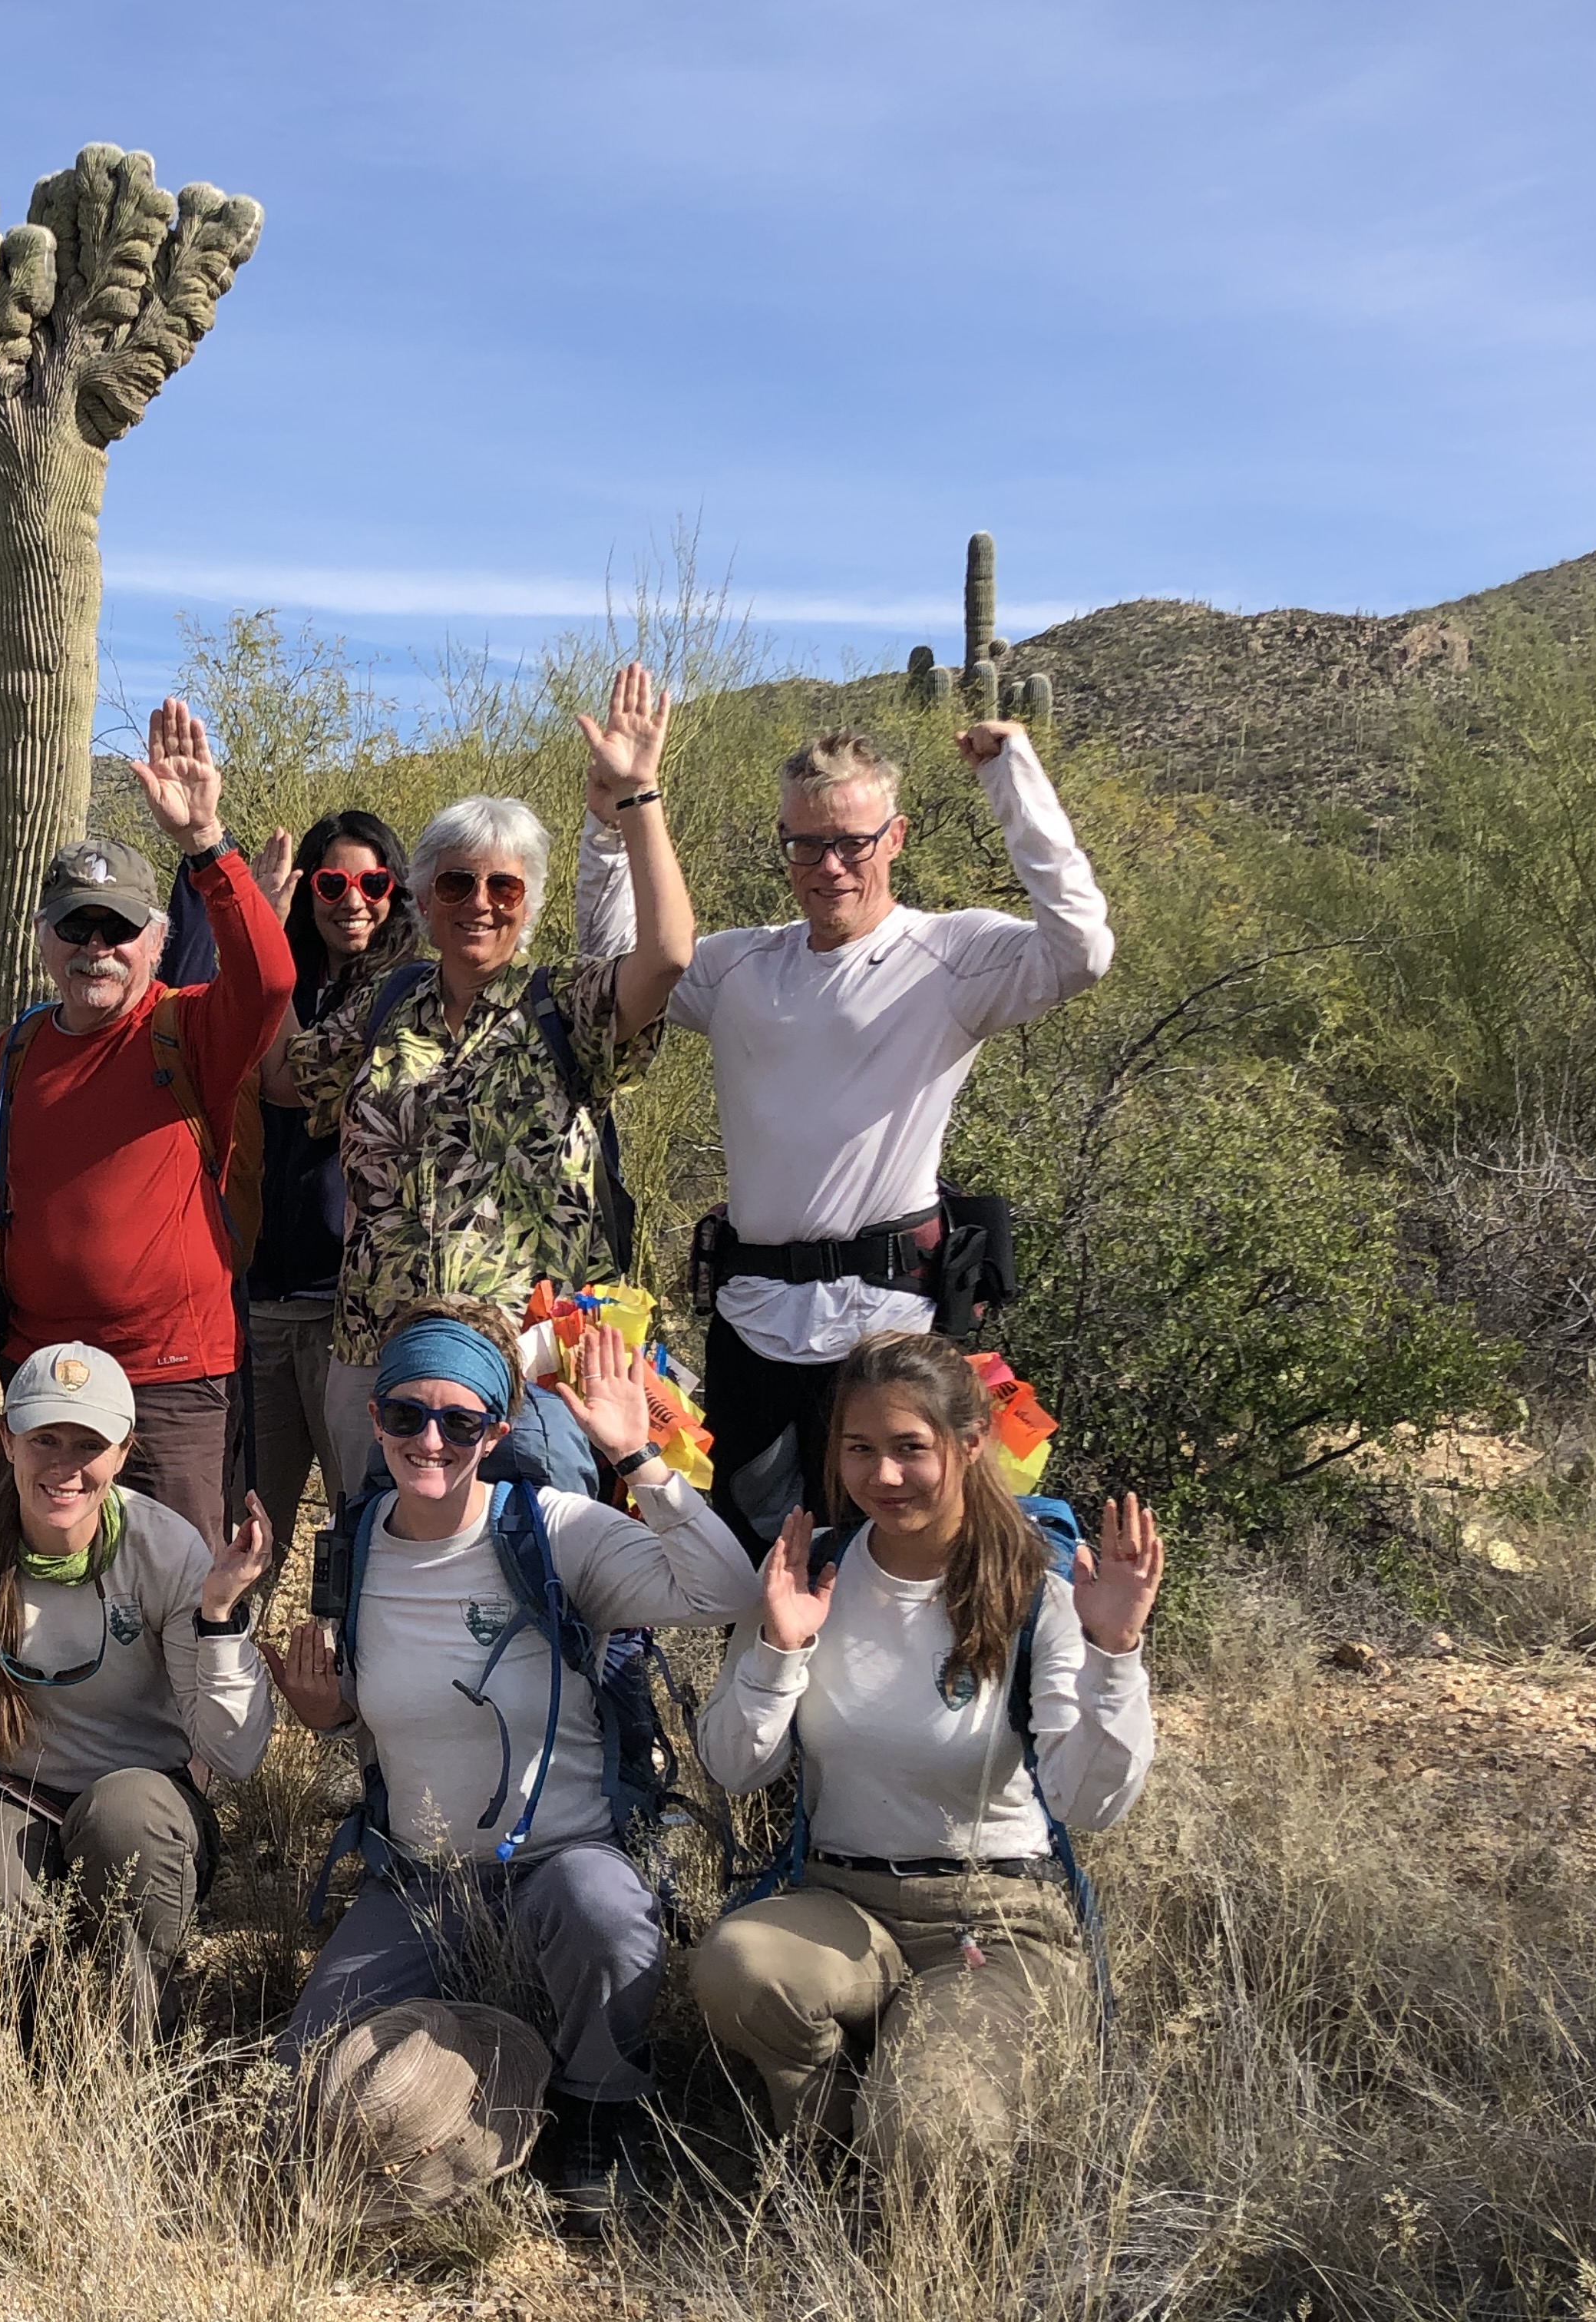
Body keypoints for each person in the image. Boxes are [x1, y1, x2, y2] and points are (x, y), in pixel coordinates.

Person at [265, 1298, 759, 2224]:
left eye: (461, 1421)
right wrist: (326, 1717)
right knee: (306, 2084)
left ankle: (598, 2107)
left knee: (605, 1913)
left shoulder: (556, 1531)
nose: (431, 1442)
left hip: (558, 1865)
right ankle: (481, 2062)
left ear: (495, 1430)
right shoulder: (356, 1546)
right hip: (419, 1877)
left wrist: (635, 1457)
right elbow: (382, 1716)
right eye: (407, 1415)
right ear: (375, 1418)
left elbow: (726, 1590)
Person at [630, 719, 1113, 1558]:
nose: (829, 868)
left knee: (887, 1559)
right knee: (751, 1564)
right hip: (749, 1326)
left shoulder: (951, 955)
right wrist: (614, 815)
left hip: (884, 1327)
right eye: (805, 845)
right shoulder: (742, 965)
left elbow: (1082, 952)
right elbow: (619, 975)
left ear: (895, 837)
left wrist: (1014, 781)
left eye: (852, 843)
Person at [692, 1332, 1160, 2180]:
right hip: (844, 1899)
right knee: (738, 1964)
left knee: (927, 2135)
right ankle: (819, 2132)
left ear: (971, 1444)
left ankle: (908, 2101)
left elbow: (1090, 1805)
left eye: (912, 1448)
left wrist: (1113, 1651)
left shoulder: (1035, 1589)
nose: (884, 1476)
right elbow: (734, 1767)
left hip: (999, 1917)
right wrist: (776, 1648)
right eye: (860, 1449)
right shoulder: (814, 1569)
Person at [272, 664, 692, 1464]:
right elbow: (286, 1079)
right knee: (383, 1570)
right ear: (423, 900)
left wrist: (637, 799)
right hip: (379, 1356)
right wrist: (253, 935)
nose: (481, 901)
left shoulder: (566, 1004)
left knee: (542, 1568)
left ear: (527, 904)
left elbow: (669, 956)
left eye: (504, 885)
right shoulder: (385, 1003)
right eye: (458, 882)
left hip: (529, 1369)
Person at [0, 1342, 274, 2034]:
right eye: (45, 1438)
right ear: (6, 1442)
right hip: (15, 1794)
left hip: (143, 1799)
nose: (66, 1465)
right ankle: (25, 2029)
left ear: (124, 1450)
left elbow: (236, 1755)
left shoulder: (165, 1549)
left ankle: (129, 2036)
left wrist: (220, 1616)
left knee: (123, 1815)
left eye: (90, 1444)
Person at [0, 700, 296, 1561]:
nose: (97, 947)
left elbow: (268, 980)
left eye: (118, 928)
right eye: (76, 926)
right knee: (50, 1582)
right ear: (44, 939)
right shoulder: (13, 1052)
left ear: (154, 941)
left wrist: (206, 845)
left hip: (171, 1377)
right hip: (42, 1376)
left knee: (181, 1586)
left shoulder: (188, 1027)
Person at [243, 812, 419, 1568]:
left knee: (366, 1529)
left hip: (354, 1317)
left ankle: (353, 1684)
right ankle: (228, 1675)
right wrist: (258, 938)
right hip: (254, 1303)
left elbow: (293, 1084)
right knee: (246, 1531)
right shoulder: (265, 983)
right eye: (334, 881)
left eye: (375, 882)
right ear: (307, 887)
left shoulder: (408, 997)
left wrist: (265, 955)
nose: (355, 899)